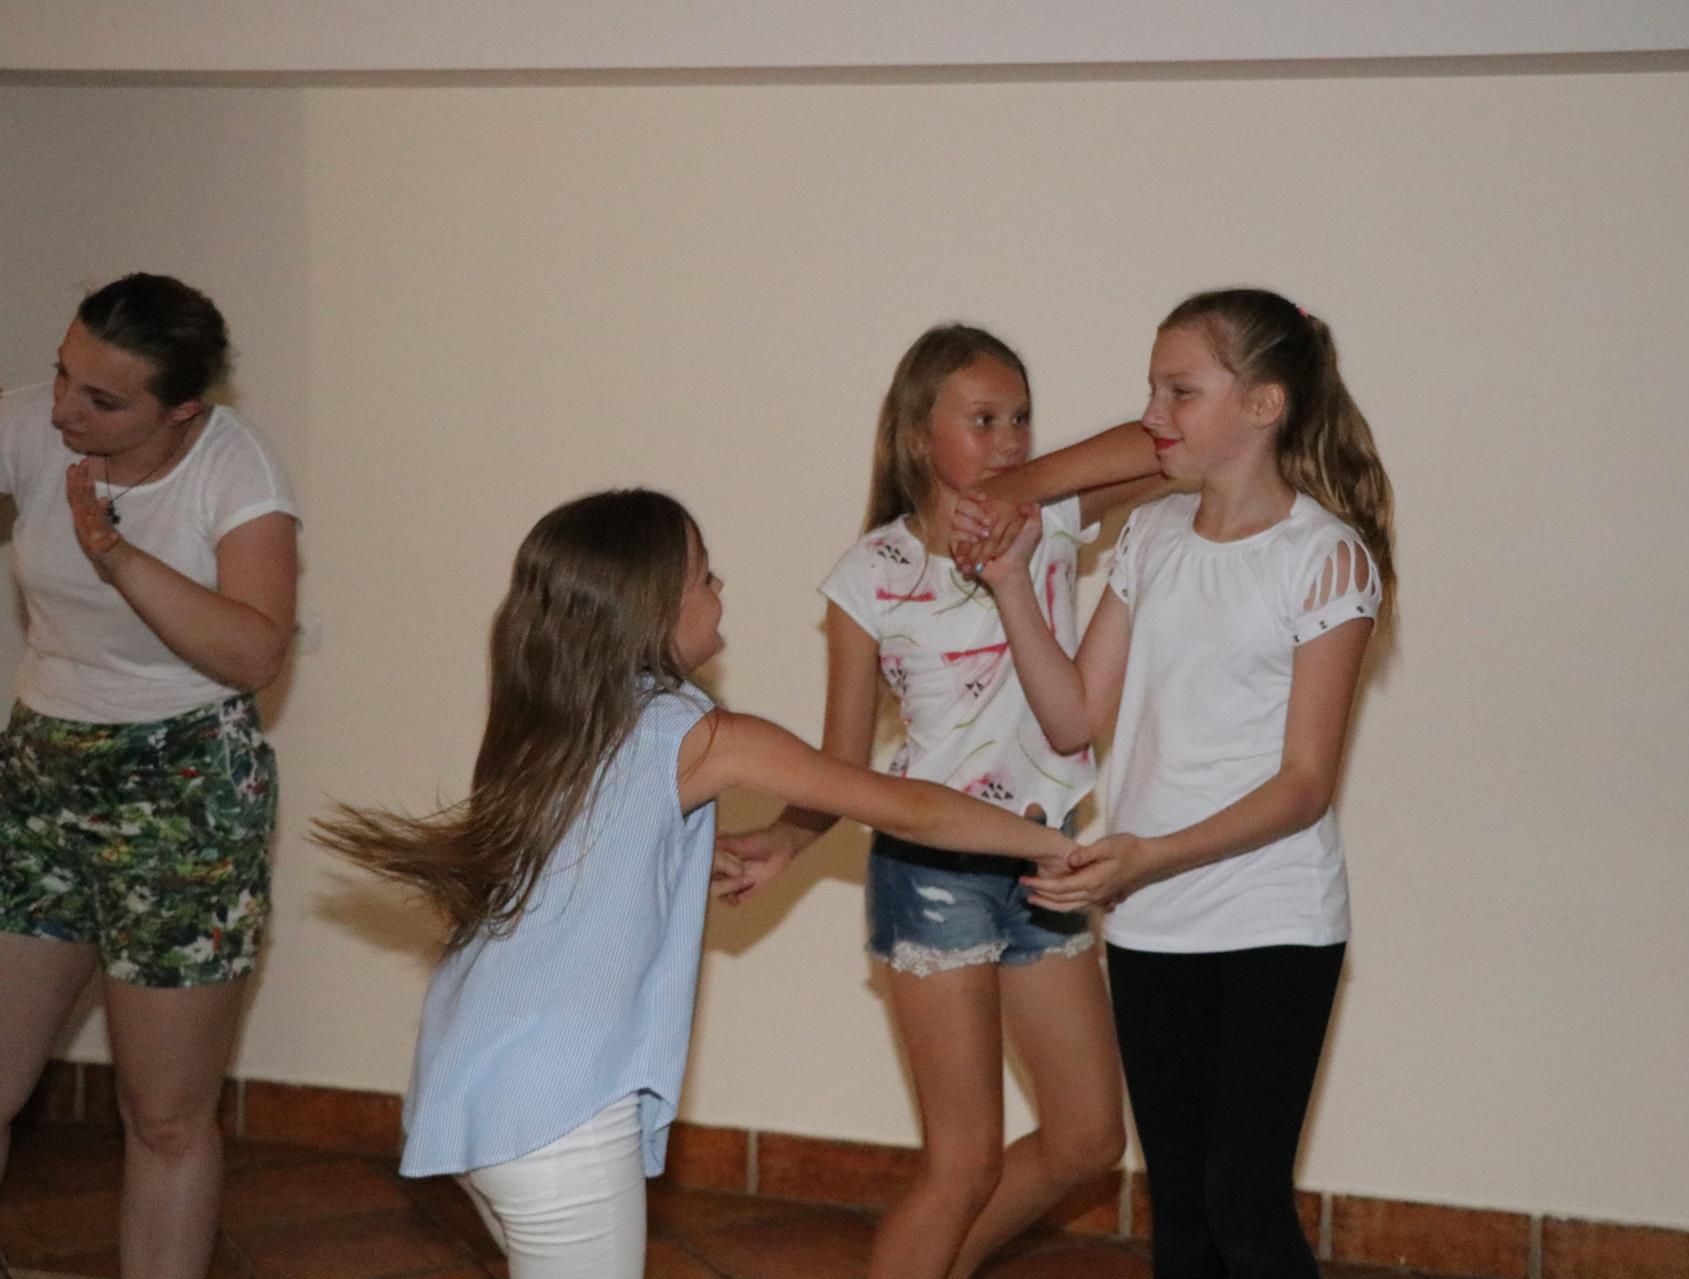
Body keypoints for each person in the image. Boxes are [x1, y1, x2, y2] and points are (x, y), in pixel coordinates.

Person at [316, 487, 1080, 1278]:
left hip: (473, 1083)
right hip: (559, 1114)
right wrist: (1047, 843)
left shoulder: (554, 713)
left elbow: (584, 850)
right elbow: (906, 806)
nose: (721, 587)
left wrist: (673, 858)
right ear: (653, 608)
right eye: (704, 576)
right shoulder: (692, 735)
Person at [714, 324, 1159, 1279]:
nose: (1010, 439)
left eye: (1021, 418)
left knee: (1088, 1137)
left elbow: (1157, 445)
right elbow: (842, 764)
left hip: (1048, 864)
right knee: (963, 1163)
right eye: (984, 420)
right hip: (931, 877)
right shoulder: (868, 575)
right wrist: (787, 838)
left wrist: (1023, 489)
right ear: (920, 434)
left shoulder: (1051, 519)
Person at [974, 288, 1395, 1279]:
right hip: (1153, 919)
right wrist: (1011, 584)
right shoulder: (1152, 535)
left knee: (1241, 1202)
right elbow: (1074, 714)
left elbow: (1303, 784)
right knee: (1182, 1217)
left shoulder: (1325, 559)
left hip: (1272, 917)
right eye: (1152, 389)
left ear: (1264, 405)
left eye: (1180, 391)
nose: (1151, 415)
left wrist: (1150, 855)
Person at [0, 273, 299, 1278]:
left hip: (185, 792)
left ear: (182, 409)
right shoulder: (34, 424)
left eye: (101, 400)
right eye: (61, 374)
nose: (63, 411)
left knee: (165, 1115)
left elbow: (254, 653)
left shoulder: (236, 472)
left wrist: (116, 556)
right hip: (40, 772)